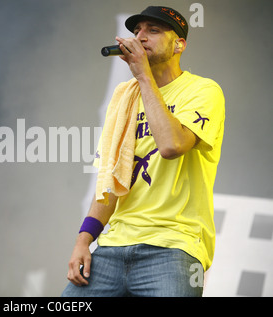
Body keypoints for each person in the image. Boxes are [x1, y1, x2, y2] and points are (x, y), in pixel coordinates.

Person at [62, 6, 225, 297]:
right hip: (112, 247)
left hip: (174, 249)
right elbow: (110, 182)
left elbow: (172, 145)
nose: (140, 37)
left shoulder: (203, 90)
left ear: (179, 45)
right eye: (137, 30)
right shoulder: (124, 96)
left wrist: (144, 76)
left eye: (153, 30)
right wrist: (82, 241)